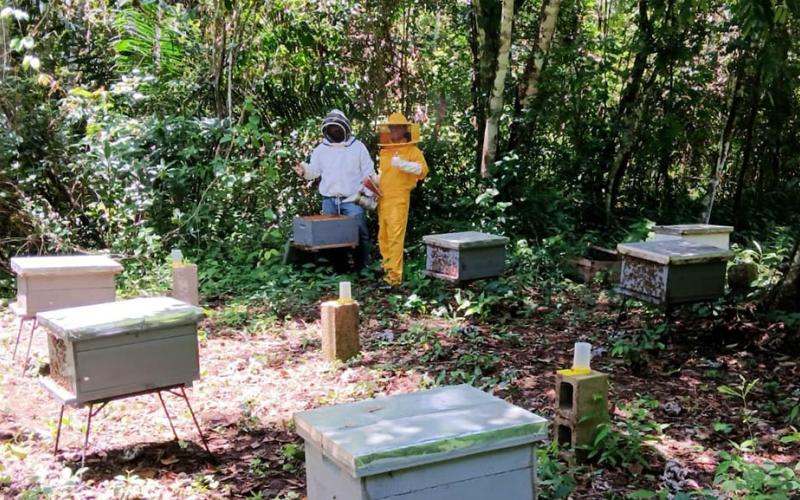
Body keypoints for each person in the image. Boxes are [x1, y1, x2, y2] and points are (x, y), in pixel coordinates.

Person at [294, 109, 377, 269]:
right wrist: (304, 170)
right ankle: (338, 269)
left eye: (337, 128)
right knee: (330, 237)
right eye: (332, 129)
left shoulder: (358, 147)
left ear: (345, 128)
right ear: (326, 130)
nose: (335, 131)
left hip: (354, 199)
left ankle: (363, 269)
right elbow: (314, 172)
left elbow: (369, 174)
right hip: (329, 200)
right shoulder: (320, 150)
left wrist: (370, 195)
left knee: (359, 233)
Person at [375, 112, 429, 285]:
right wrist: (372, 183)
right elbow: (384, 174)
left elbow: (423, 171)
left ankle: (394, 278)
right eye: (392, 127)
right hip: (382, 199)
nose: (394, 131)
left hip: (399, 199)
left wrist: (404, 165)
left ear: (405, 129)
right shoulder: (385, 150)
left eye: (398, 127)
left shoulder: (412, 150)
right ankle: (386, 270)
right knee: (382, 237)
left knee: (395, 238)